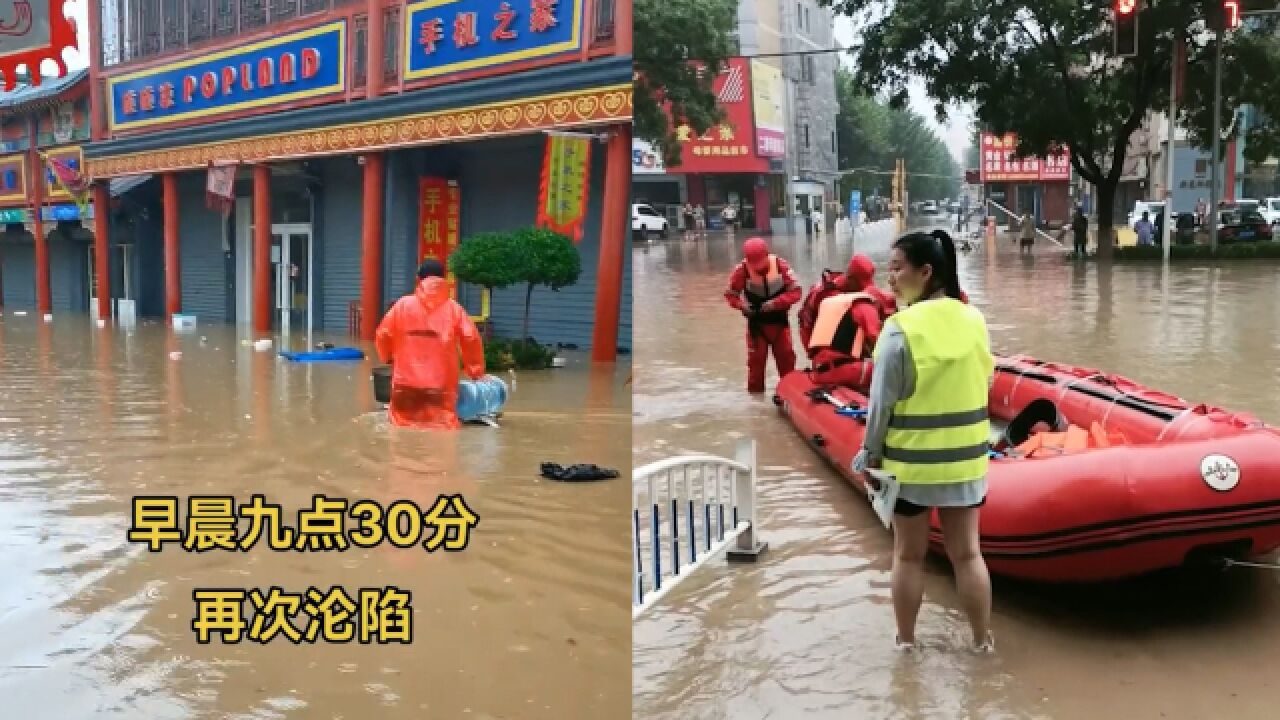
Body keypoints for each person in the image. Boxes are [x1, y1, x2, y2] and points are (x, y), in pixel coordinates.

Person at [852, 229, 995, 654]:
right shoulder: (974, 319)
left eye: (897, 268)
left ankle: (907, 645)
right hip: (966, 464)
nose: (889, 277)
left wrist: (869, 456)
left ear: (926, 272)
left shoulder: (899, 329)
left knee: (908, 555)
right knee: (968, 555)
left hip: (911, 467)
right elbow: (985, 380)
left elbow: (880, 408)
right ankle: (982, 643)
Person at [375, 259, 486, 430]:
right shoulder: (454, 309)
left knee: (401, 430)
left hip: (405, 384)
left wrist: (387, 357)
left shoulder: (402, 305)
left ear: (419, 280)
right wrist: (475, 371)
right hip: (441, 386)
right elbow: (471, 338)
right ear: (444, 280)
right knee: (442, 431)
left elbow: (383, 334)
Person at [724, 237, 803, 393]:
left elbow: (796, 292)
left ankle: (789, 395)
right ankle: (756, 403)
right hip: (756, 328)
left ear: (767, 254)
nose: (759, 268)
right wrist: (742, 306)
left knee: (787, 362)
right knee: (755, 369)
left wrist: (775, 303)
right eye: (755, 264)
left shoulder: (781, 266)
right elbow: (730, 295)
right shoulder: (741, 271)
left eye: (761, 263)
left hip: (780, 325)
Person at [804, 257, 894, 390]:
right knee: (891, 369)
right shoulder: (864, 305)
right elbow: (879, 343)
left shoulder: (828, 296)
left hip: (819, 366)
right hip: (845, 370)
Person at [798, 254, 896, 349]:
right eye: (860, 284)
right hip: (816, 339)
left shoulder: (850, 285)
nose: (863, 289)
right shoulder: (831, 297)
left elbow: (878, 295)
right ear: (851, 279)